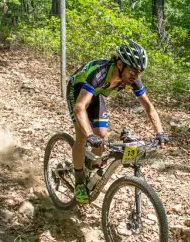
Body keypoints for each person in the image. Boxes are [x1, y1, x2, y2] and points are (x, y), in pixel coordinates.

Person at [66, 39, 168, 204]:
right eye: (133, 71)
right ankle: (78, 180)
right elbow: (79, 107)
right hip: (78, 90)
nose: (135, 76)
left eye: (139, 72)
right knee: (83, 135)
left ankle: (89, 168)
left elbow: (149, 107)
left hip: (97, 94)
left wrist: (160, 132)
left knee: (102, 135)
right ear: (120, 65)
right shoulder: (99, 73)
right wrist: (89, 135)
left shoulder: (133, 78)